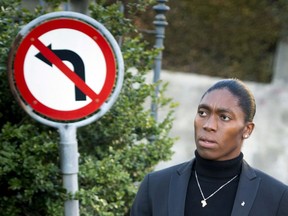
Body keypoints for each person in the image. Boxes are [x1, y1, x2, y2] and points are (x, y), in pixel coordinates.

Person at [130, 78, 288, 216]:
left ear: (247, 130)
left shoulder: (276, 197)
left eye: (224, 117)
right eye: (203, 113)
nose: (208, 125)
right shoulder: (156, 186)